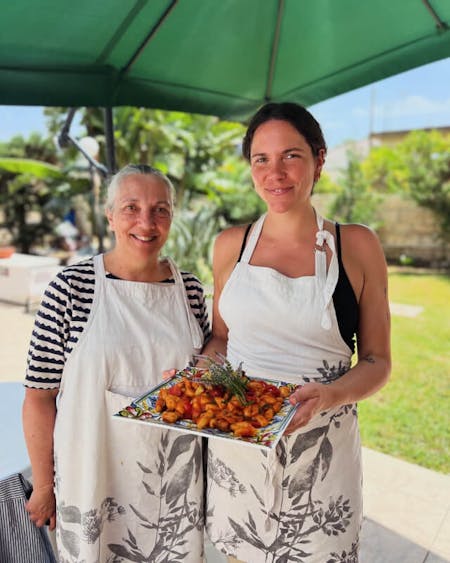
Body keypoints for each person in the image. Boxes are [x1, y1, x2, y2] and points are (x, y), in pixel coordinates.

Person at [202, 102, 391, 563]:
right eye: (261, 159)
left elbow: (377, 361)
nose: (275, 172)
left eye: (291, 155)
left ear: (319, 160)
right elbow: (221, 341)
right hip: (239, 453)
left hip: (322, 455)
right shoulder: (230, 246)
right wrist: (197, 377)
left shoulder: (356, 245)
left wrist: (327, 395)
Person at [22, 164, 211, 562]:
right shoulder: (70, 289)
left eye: (160, 209)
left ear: (172, 217)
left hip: (173, 486)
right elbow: (39, 397)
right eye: (131, 208)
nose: (147, 222)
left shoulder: (190, 289)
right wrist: (43, 487)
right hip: (92, 475)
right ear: (109, 216)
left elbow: (202, 380)